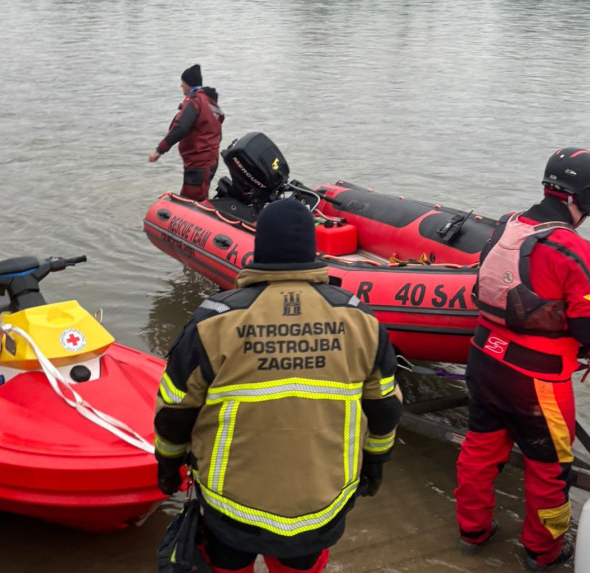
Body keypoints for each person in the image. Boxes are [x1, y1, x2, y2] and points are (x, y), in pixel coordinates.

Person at [153, 199, 403, 573]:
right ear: (313, 249)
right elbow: (384, 408)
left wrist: (168, 464)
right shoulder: (360, 319)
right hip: (321, 502)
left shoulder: (215, 320)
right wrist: (375, 462)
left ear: (259, 248)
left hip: (230, 504)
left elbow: (175, 410)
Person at [454, 148, 590, 571]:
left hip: (484, 359)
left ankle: (471, 533)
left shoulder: (505, 226)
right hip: (537, 381)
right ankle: (543, 551)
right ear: (586, 197)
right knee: (550, 470)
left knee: (479, 451)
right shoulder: (572, 249)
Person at [149, 64, 225, 202]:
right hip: (211, 160)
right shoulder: (211, 102)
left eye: (182, 82)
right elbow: (218, 130)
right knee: (199, 198)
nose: (180, 85)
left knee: (192, 201)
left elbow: (181, 128)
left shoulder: (195, 101)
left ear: (188, 83)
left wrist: (159, 150)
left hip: (199, 162)